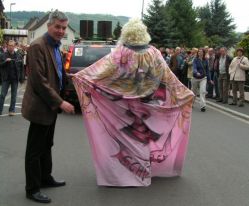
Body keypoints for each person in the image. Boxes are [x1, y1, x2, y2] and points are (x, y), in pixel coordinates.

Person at [72, 18, 194, 187]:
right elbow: (168, 77)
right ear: (144, 34)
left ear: (127, 34)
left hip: (123, 105)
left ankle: (126, 173)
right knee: (143, 139)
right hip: (149, 104)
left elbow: (100, 72)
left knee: (126, 138)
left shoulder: (120, 53)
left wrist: (81, 77)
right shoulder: (154, 53)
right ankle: (143, 172)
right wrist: (185, 93)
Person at [22, 10, 75, 203]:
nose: (61, 31)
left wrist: (79, 82)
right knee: (34, 150)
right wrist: (60, 102)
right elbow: (39, 81)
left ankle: (45, 177)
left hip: (50, 107)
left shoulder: (56, 47)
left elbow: (60, 75)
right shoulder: (38, 46)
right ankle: (32, 188)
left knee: (47, 145)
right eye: (58, 27)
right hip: (40, 107)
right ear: (49, 26)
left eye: (63, 27)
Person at [0, 40, 24, 116]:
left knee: (14, 95)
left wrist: (21, 78)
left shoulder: (18, 55)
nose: (11, 47)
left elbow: (21, 67)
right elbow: (0, 65)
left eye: (12, 45)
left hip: (14, 78)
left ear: (14, 46)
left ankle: (12, 110)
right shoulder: (3, 55)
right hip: (6, 78)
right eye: (10, 45)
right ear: (7, 46)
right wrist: (5, 61)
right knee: (2, 95)